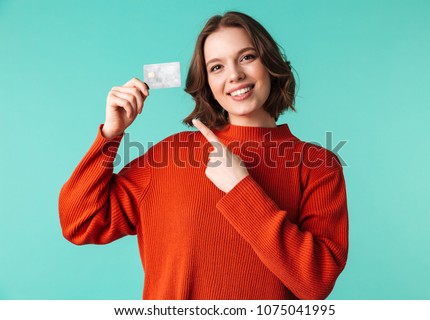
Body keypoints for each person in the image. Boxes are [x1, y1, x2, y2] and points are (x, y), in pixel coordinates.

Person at [59, 11, 348, 300]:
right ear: (207, 82)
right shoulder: (169, 156)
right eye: (217, 67)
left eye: (247, 57)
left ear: (270, 64)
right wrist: (110, 135)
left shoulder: (318, 165)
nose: (235, 75)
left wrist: (241, 189)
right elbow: (79, 221)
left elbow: (316, 283)